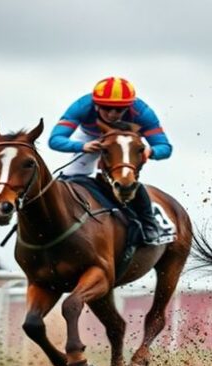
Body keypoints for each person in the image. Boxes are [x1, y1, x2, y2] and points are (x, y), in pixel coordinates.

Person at [48, 77, 172, 244]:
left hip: (126, 141)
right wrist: (82, 147)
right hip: (91, 137)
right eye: (107, 108)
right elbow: (55, 140)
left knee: (127, 179)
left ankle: (149, 224)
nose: (113, 114)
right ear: (96, 105)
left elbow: (165, 147)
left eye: (119, 110)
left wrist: (150, 151)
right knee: (72, 175)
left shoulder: (142, 112)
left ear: (129, 107)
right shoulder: (82, 106)